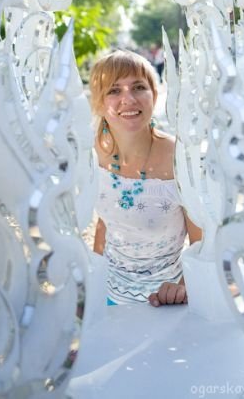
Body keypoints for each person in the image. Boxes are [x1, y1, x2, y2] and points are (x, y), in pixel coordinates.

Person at [89, 49, 202, 306]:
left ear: (154, 94)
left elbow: (202, 241)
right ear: (99, 102)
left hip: (165, 301)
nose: (128, 99)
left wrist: (183, 287)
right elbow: (105, 222)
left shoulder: (181, 159)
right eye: (114, 90)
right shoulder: (93, 154)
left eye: (138, 87)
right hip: (108, 295)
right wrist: (94, 279)